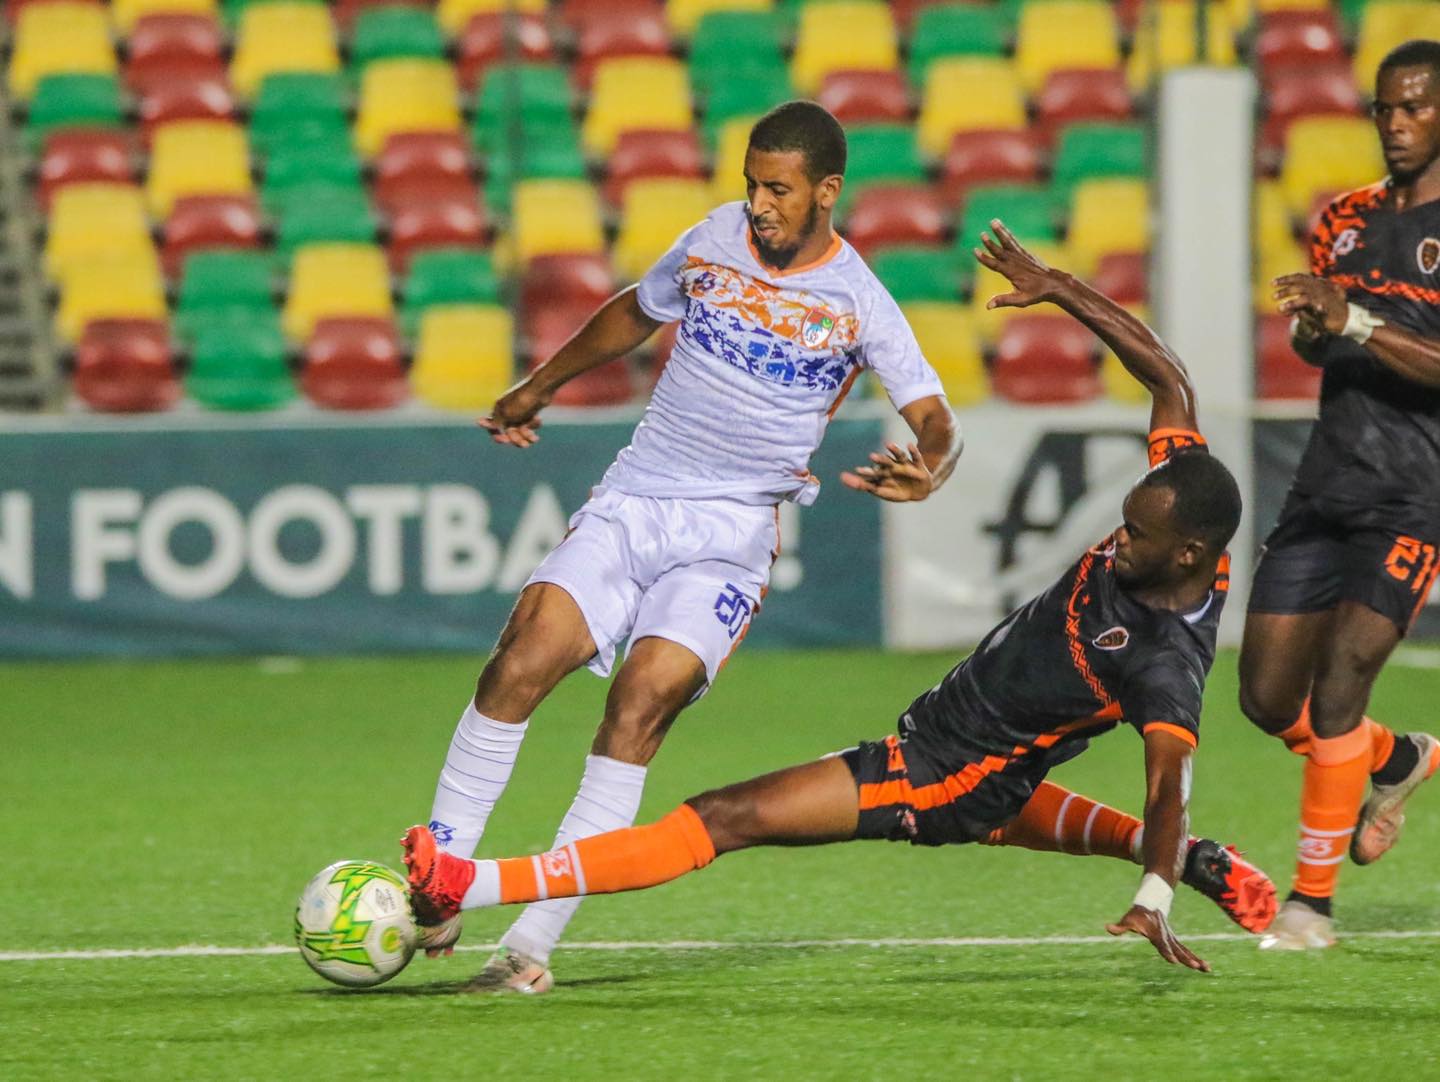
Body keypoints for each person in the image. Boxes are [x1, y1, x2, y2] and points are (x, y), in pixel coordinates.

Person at [403, 223, 1278, 981]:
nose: (1117, 541)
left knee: (721, 818)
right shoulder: (1182, 503)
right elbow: (1170, 381)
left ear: (1187, 554)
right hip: (977, 752)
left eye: (1135, 536)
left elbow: (1170, 779)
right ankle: (1198, 862)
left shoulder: (1165, 658)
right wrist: (1062, 289)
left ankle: (475, 890)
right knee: (1007, 797)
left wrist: (1154, 894)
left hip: (940, 771)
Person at [415, 101, 964, 993]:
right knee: (521, 660)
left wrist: (930, 469)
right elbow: (636, 310)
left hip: (729, 539)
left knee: (639, 707)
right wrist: (539, 385)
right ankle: (439, 878)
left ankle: (528, 947)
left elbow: (936, 419)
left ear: (827, 191)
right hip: (636, 499)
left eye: (778, 189)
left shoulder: (859, 301)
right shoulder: (713, 239)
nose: (759, 204)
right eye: (752, 185)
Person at [1242, 39, 1440, 951]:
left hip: (1415, 494)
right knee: (1264, 697)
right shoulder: (1344, 218)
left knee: (1339, 688)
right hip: (1326, 483)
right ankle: (1400, 757)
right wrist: (1315, 327)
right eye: (1384, 109)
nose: (1395, 125)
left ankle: (1309, 906)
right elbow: (1319, 345)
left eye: (1415, 108)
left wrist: (1355, 319)